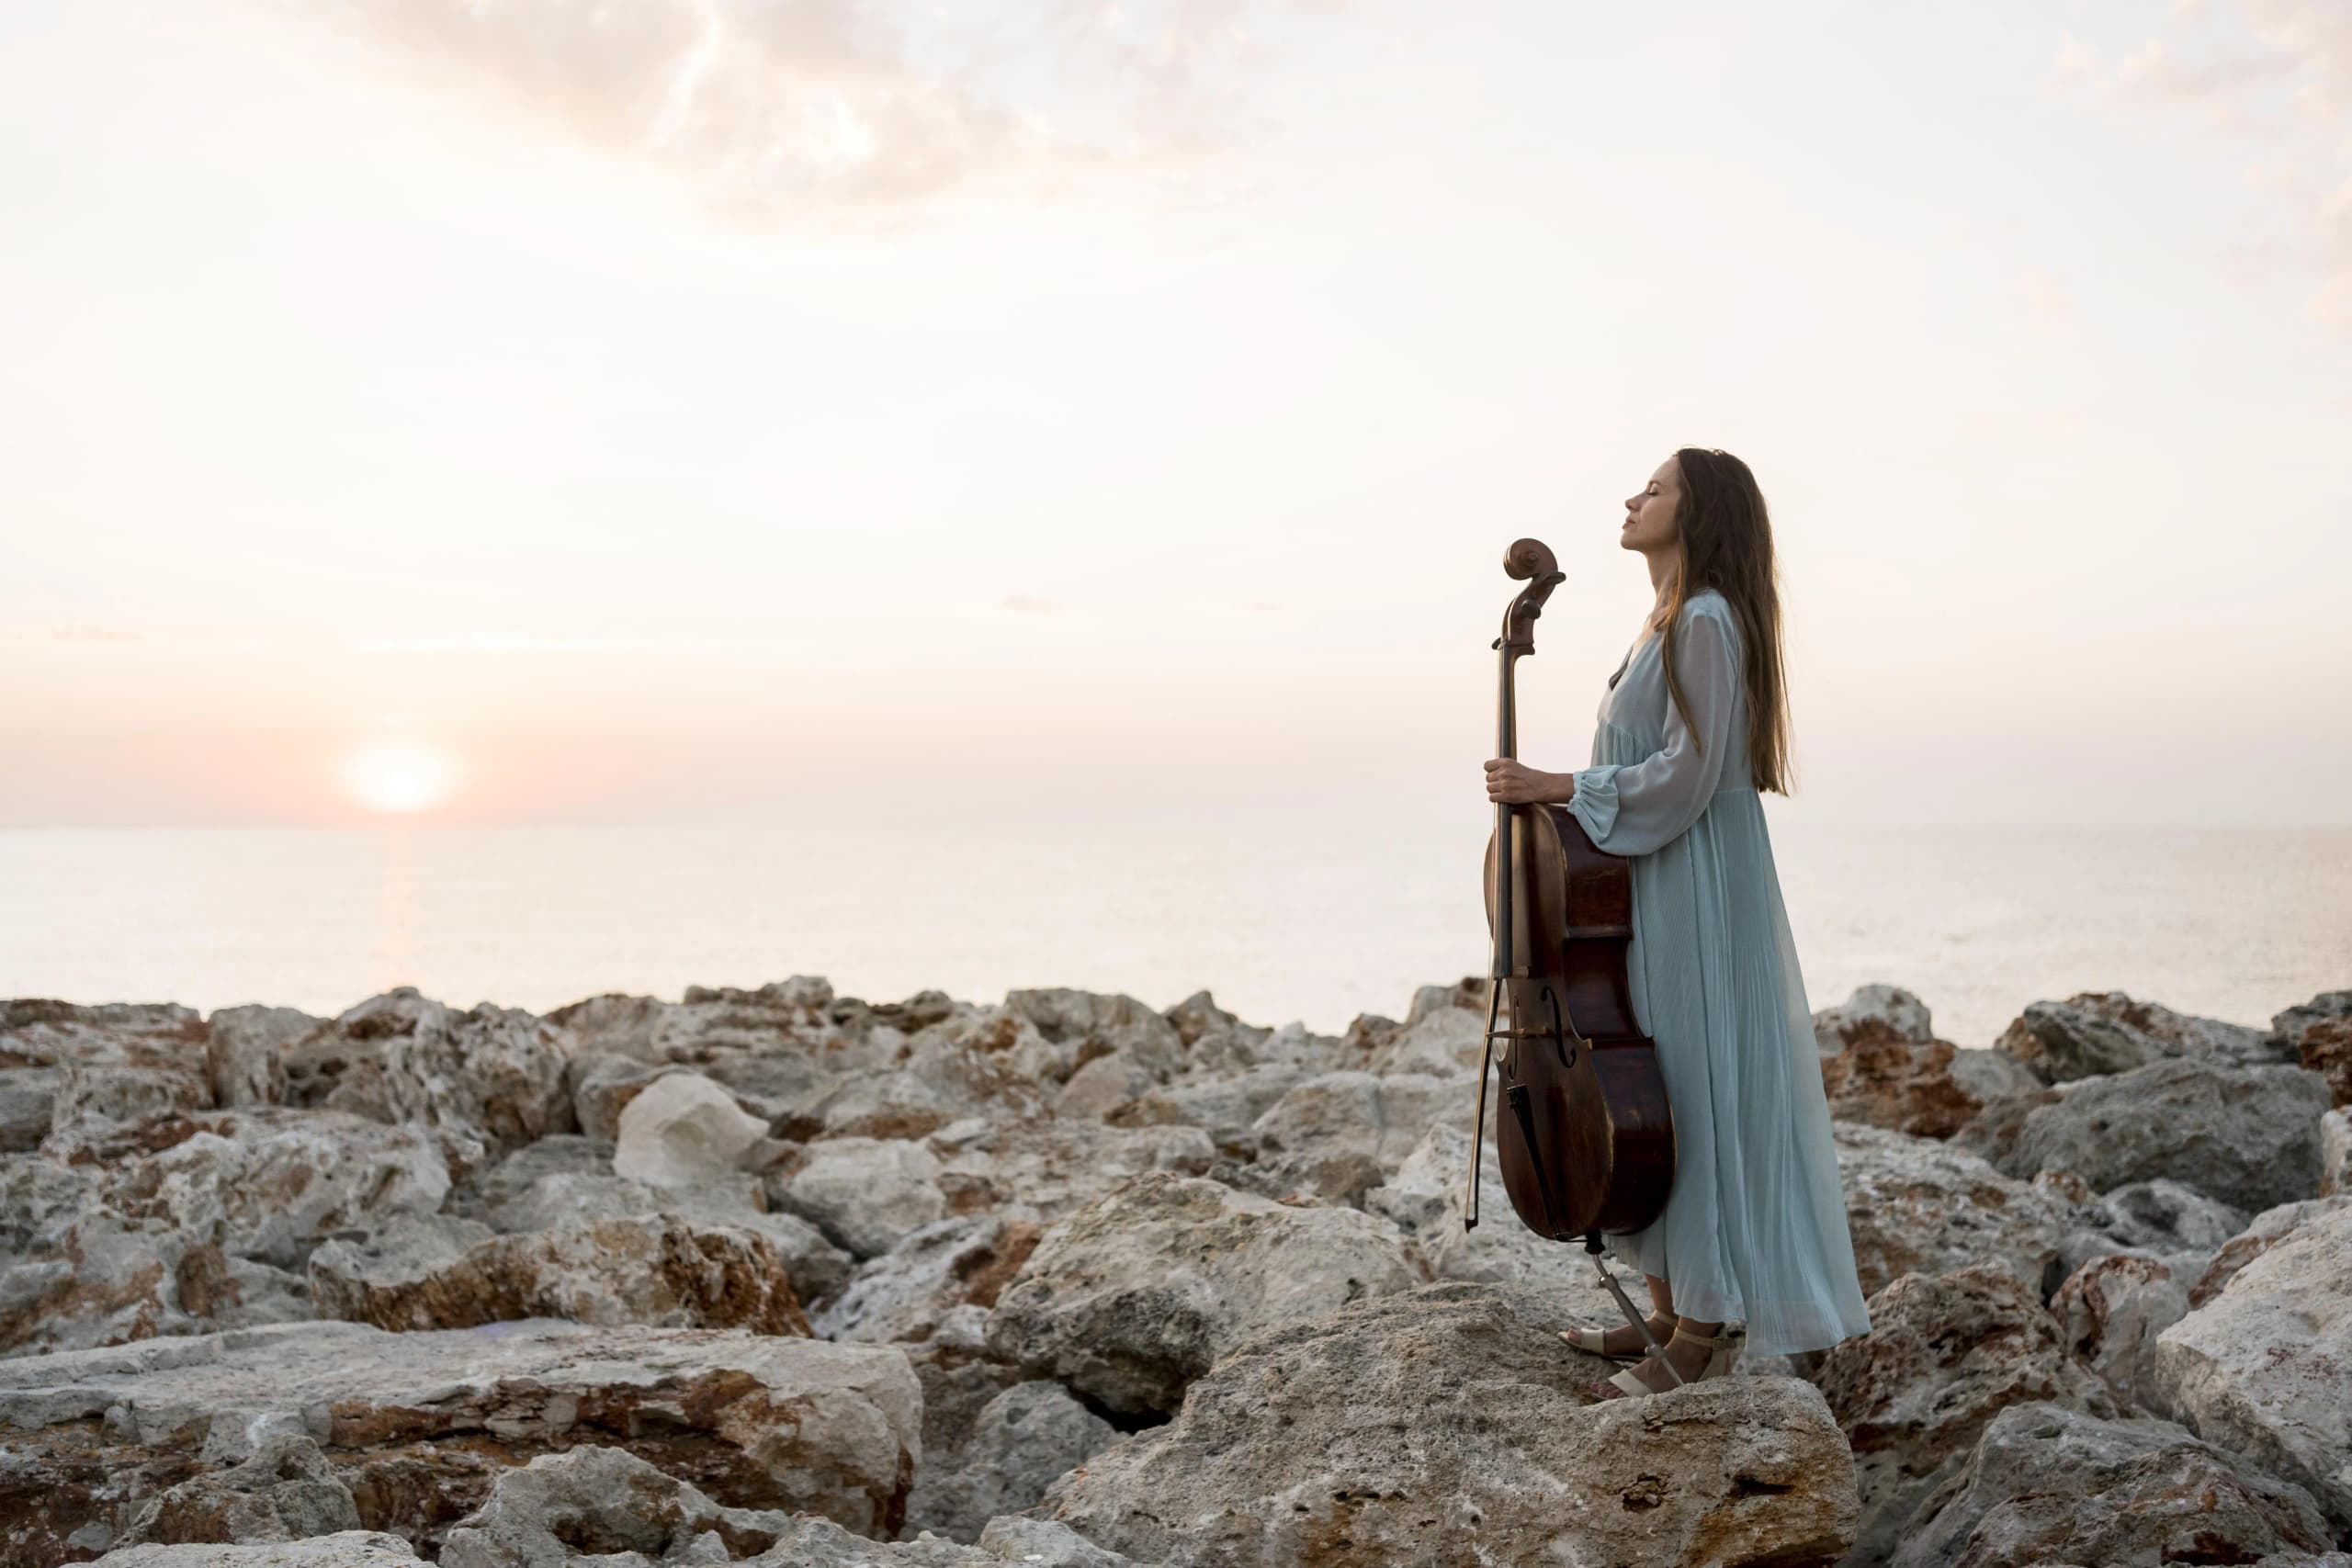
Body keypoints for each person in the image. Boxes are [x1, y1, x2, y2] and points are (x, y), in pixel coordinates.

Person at [1481, 446, 1873, 1401]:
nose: (1631, 497)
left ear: (1697, 517)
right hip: (1660, 879)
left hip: (1694, 880)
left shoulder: (1704, 620)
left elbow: (1688, 775)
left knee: (1691, 1088)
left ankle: (1701, 1333)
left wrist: (1557, 785)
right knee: (1659, 1078)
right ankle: (1663, 1308)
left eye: (1654, 488)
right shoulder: (1669, 619)